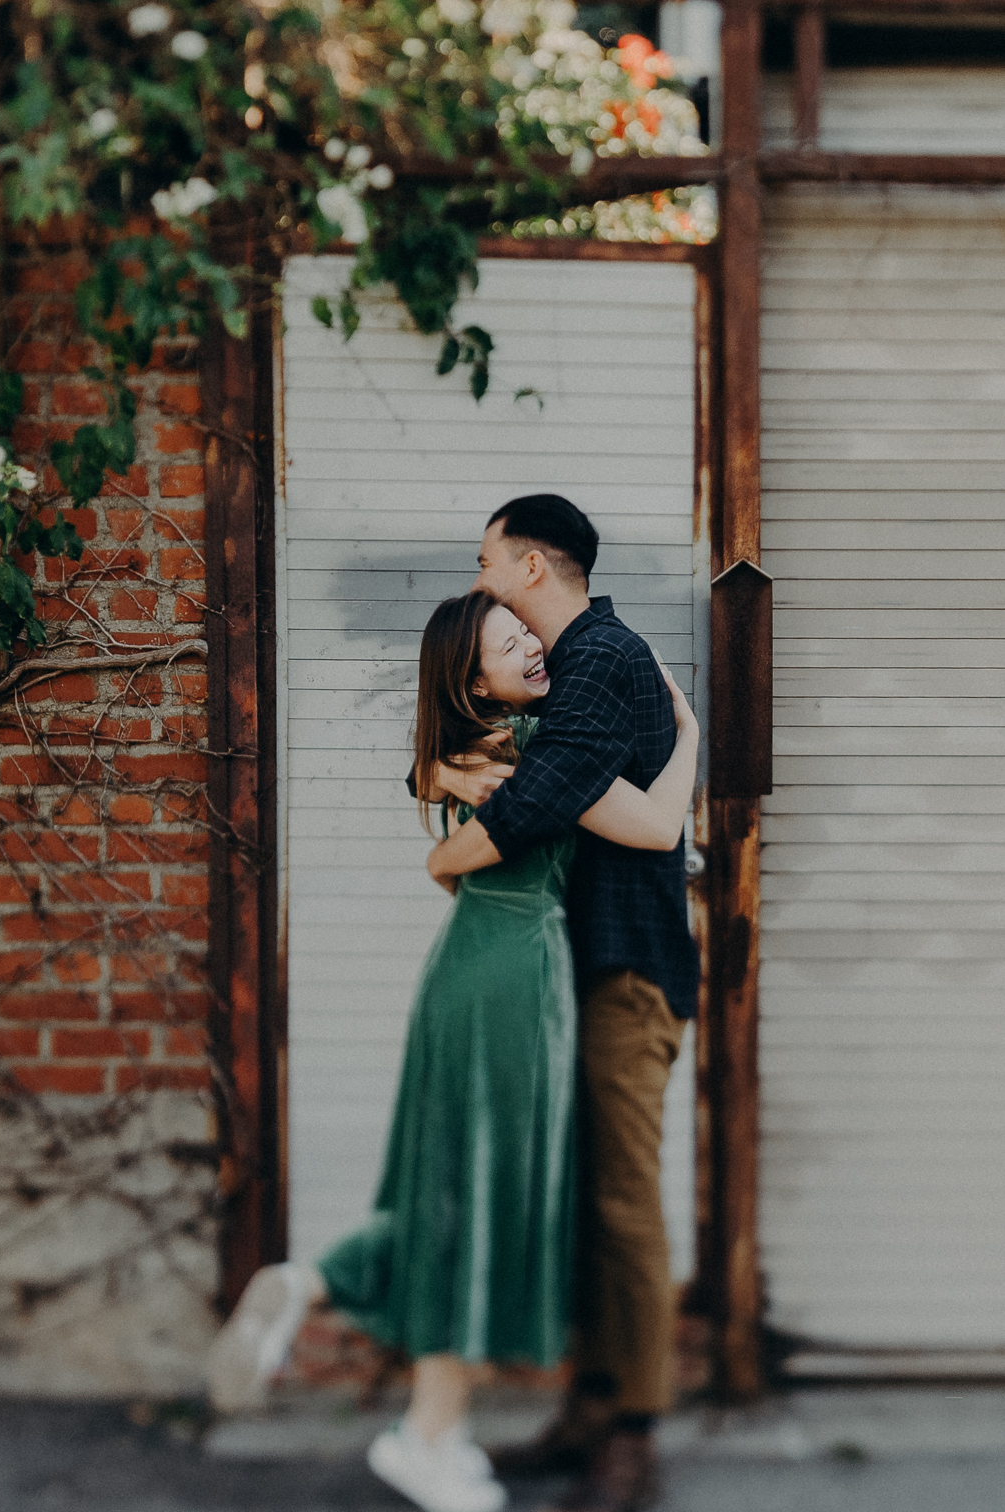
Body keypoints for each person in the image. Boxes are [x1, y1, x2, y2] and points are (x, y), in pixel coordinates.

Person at [206, 581, 699, 1512]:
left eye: (526, 629)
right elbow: (658, 824)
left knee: (450, 1180)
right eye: (507, 642)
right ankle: (427, 1435)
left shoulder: (460, 757)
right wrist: (693, 743)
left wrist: (437, 789)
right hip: (515, 978)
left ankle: (314, 1286)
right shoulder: (537, 752)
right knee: (489, 1193)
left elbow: (441, 812)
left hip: (467, 968)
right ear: (472, 683)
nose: (531, 644)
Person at [433, 495, 702, 1512]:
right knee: (586, 1200)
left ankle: (630, 1432)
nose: (477, 575)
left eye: (487, 557)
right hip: (584, 970)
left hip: (624, 973)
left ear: (534, 564)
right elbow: (529, 780)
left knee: (622, 1203)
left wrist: (446, 847)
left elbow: (539, 797)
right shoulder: (573, 668)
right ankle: (591, 1410)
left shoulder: (597, 657)